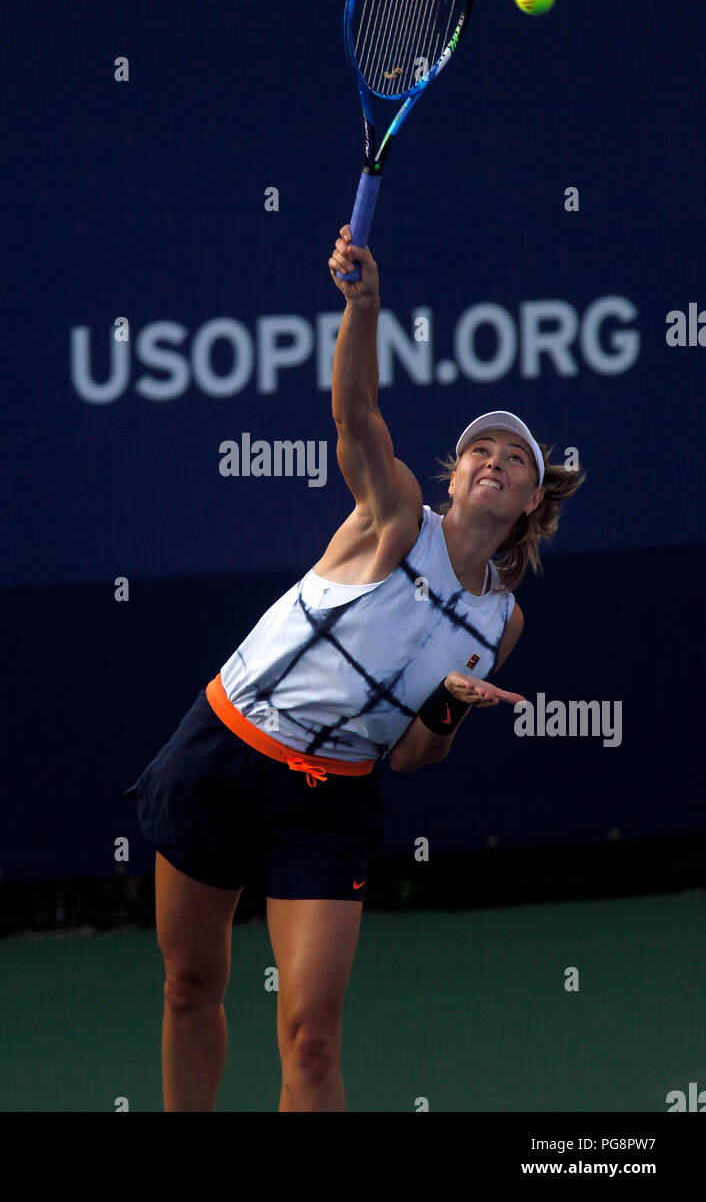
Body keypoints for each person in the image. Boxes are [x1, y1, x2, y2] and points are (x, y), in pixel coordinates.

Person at [125, 224, 586, 1112]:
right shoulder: (394, 515)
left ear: (534, 500)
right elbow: (355, 414)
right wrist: (363, 306)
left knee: (312, 1032)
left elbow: (412, 757)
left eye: (515, 457)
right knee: (190, 983)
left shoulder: (503, 620)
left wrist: (451, 703)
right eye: (480, 451)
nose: (493, 460)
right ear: (452, 479)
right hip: (223, 750)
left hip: (329, 800)